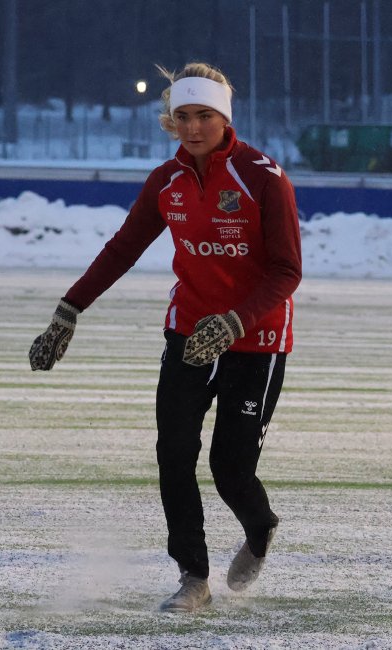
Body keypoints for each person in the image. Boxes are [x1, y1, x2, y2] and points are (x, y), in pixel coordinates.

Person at [28, 62, 302, 612]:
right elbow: (123, 248)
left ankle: (260, 527)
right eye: (183, 116)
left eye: (205, 115)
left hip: (256, 341)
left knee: (231, 469)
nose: (194, 127)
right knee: (173, 454)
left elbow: (286, 271)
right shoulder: (166, 182)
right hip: (187, 336)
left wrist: (233, 323)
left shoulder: (263, 177)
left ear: (225, 118)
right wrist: (68, 309)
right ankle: (193, 578)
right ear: (170, 121)